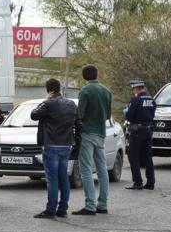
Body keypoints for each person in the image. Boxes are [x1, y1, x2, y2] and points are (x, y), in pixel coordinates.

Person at [31, 79, 81, 219]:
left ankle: (50, 210)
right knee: (63, 177)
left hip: (51, 145)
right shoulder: (71, 104)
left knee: (52, 179)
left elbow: (34, 115)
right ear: (59, 88)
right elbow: (78, 123)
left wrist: (45, 101)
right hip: (66, 145)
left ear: (49, 90)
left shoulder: (48, 103)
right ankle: (63, 208)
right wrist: (76, 141)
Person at [73, 65, 112, 216]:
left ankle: (90, 205)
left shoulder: (85, 91)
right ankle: (103, 204)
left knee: (86, 170)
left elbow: (80, 114)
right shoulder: (106, 91)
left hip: (87, 133)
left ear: (84, 76)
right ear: (97, 74)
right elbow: (108, 115)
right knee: (102, 170)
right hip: (101, 133)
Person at [125, 79, 157, 190]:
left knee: (133, 156)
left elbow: (129, 116)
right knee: (148, 157)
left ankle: (137, 182)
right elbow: (152, 115)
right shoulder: (152, 100)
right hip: (148, 129)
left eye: (133, 89)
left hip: (137, 130)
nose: (133, 91)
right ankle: (151, 182)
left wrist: (126, 111)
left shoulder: (135, 100)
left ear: (137, 88)